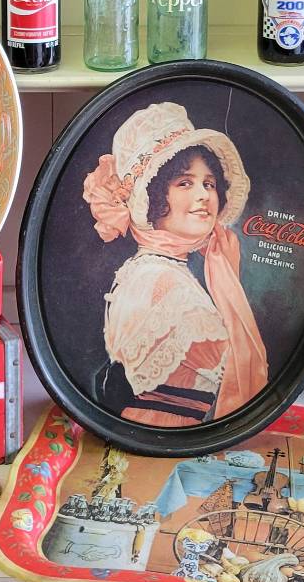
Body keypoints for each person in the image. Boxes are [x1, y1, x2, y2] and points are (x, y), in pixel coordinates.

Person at [83, 101, 268, 427]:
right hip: (164, 438)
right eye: (184, 182)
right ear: (154, 197)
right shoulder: (161, 282)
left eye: (209, 184)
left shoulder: (157, 269)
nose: (203, 195)